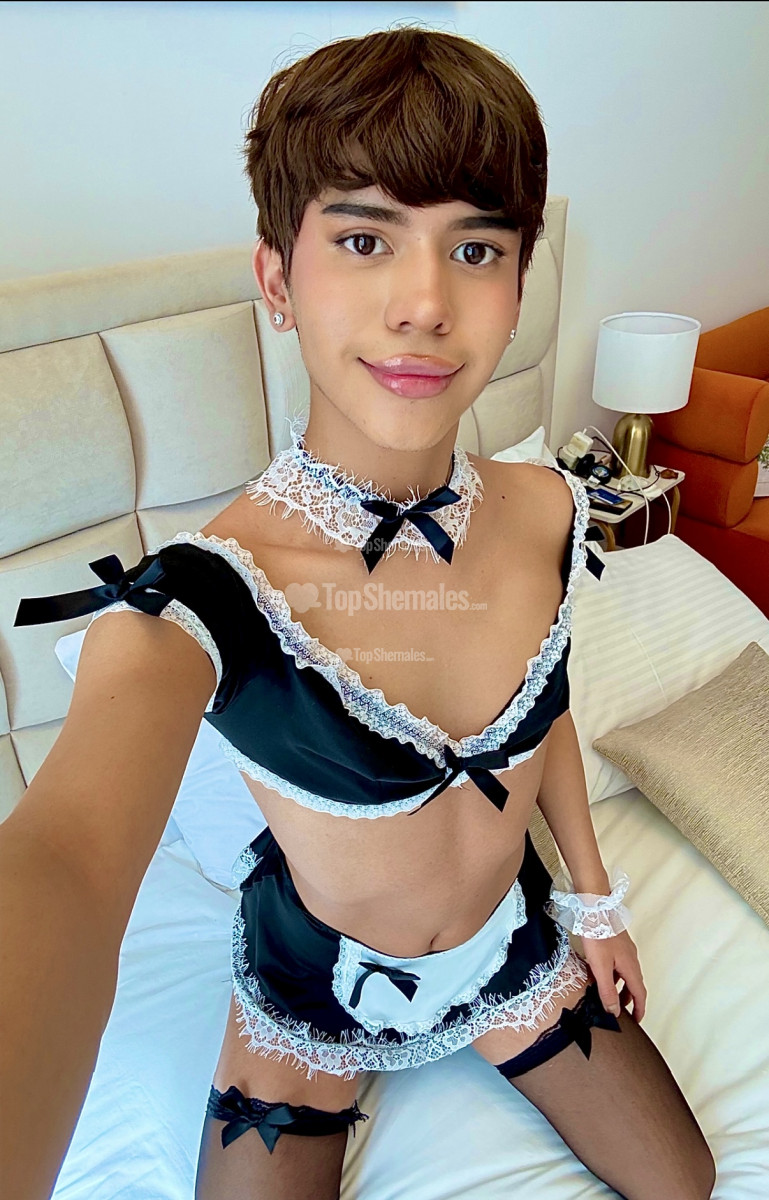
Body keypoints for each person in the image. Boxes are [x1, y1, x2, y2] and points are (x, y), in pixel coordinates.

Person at [3, 25, 716, 1200]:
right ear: (277, 280)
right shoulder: (197, 603)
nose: (424, 304)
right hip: (315, 990)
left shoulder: (548, 507)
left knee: (684, 1182)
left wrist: (592, 904)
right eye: (363, 238)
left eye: (474, 248)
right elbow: (65, 863)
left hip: (507, 950)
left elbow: (543, 713)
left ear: (518, 286)